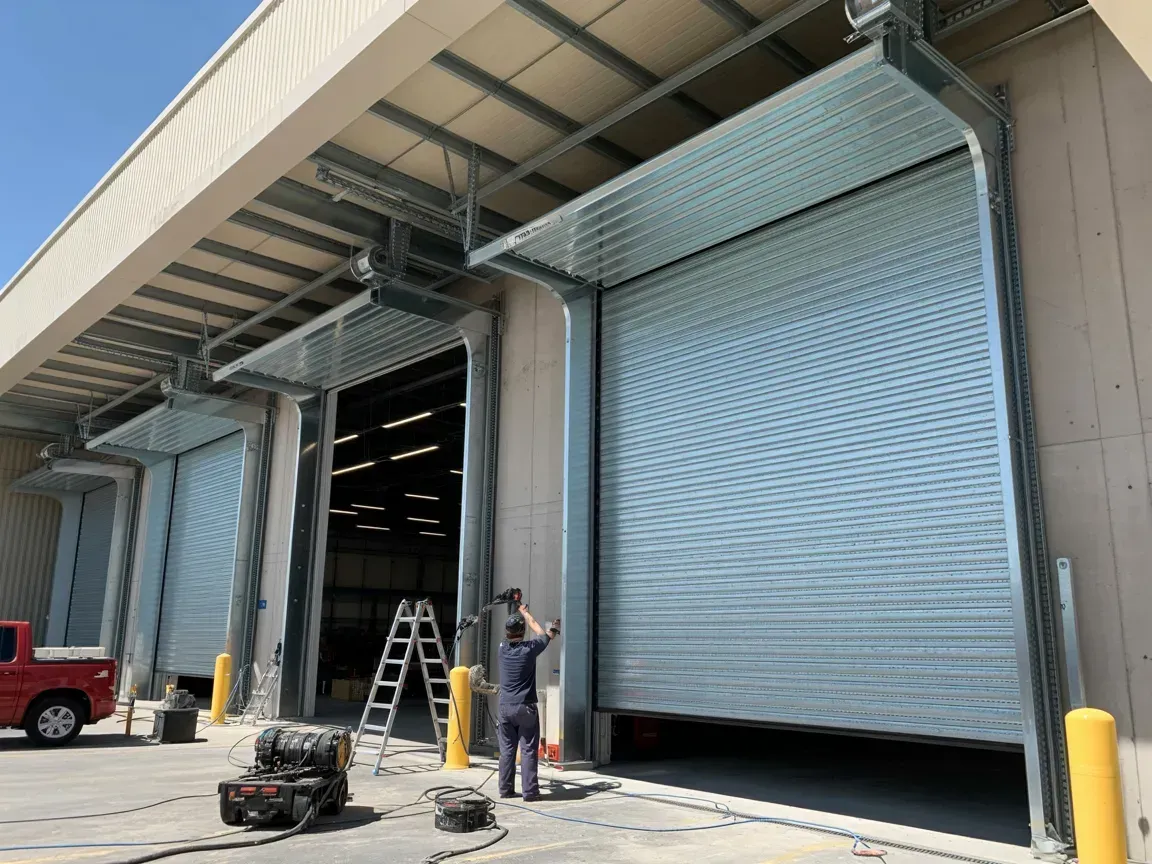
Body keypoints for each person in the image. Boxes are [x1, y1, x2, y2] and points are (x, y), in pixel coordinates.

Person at [496, 603, 559, 801]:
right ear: (523, 632)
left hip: (505, 707)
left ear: (507, 632)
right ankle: (530, 792)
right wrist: (526, 613)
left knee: (507, 751)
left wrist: (519, 614)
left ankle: (505, 790)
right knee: (528, 750)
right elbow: (543, 634)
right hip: (526, 707)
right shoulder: (529, 650)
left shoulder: (502, 648)